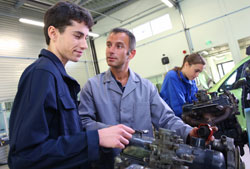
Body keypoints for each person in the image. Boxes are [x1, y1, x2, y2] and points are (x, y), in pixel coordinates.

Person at [8, 2, 134, 169]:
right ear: (53, 33)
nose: (84, 45)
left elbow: (64, 138)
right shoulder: (41, 75)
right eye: (77, 36)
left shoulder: (59, 78)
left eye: (85, 38)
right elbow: (24, 157)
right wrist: (95, 139)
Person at [79, 28, 213, 168]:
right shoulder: (92, 86)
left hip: (144, 161)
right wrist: (108, 132)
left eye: (118, 46)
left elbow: (166, 119)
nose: (110, 50)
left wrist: (189, 132)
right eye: (108, 45)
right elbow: (83, 121)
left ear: (131, 54)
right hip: (107, 161)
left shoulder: (146, 87)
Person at [160, 53, 206, 118]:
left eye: (199, 72)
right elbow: (178, 108)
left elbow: (195, 100)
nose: (197, 75)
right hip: (172, 121)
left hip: (185, 118)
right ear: (186, 65)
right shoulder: (172, 76)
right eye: (196, 71)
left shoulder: (191, 80)